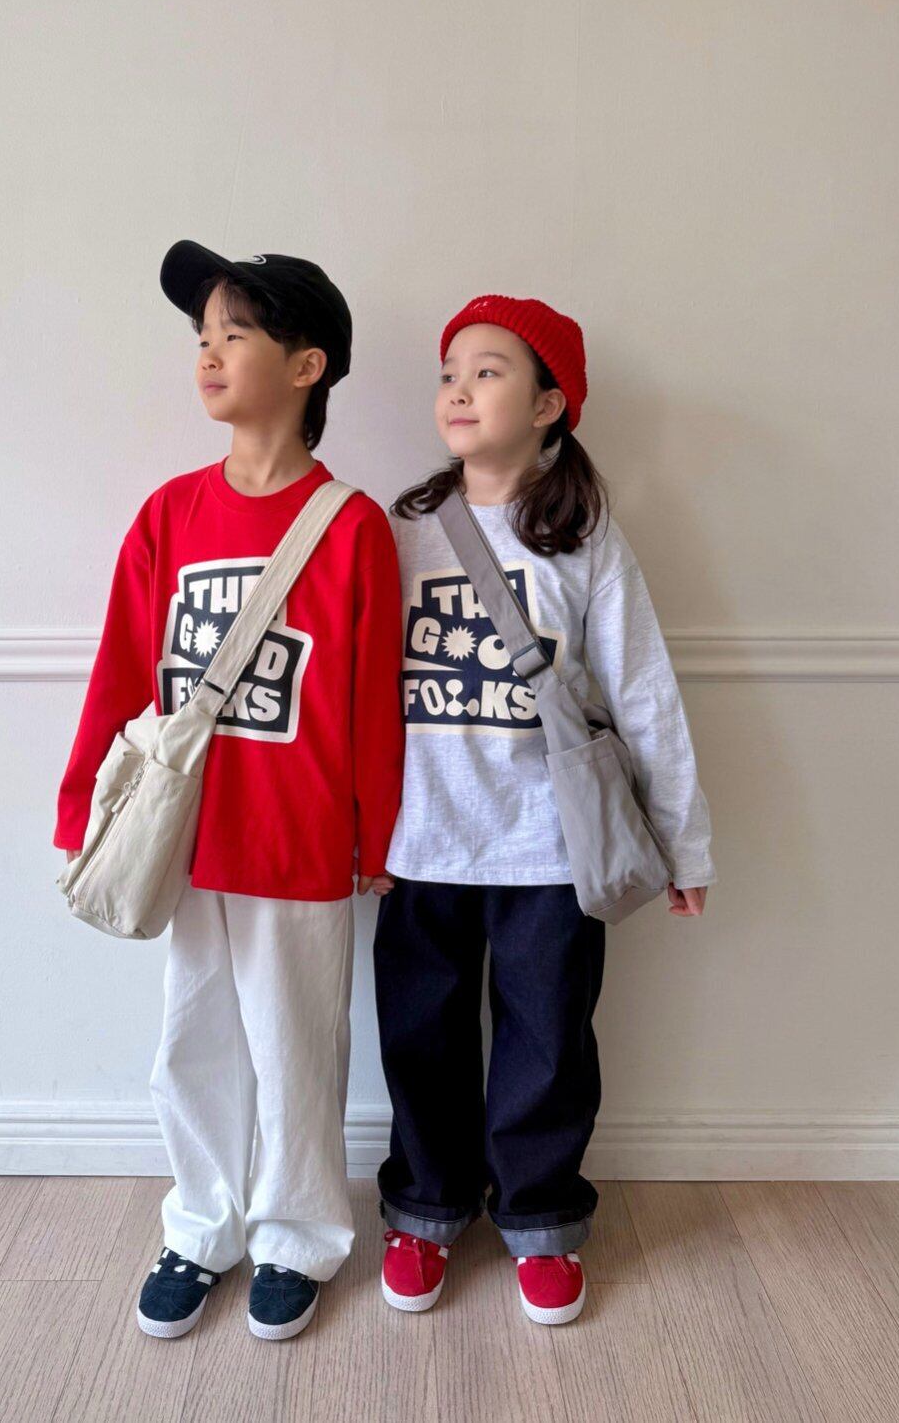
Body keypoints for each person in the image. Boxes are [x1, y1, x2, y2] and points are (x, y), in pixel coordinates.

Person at [54, 241, 403, 1341]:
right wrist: (81, 803)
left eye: (234, 333)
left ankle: (295, 1234)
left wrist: (379, 833)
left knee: (297, 1048)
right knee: (193, 1040)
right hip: (185, 833)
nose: (206, 352)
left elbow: (372, 698)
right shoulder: (170, 513)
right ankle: (201, 1223)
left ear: (306, 365)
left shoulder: (351, 526)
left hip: (299, 836)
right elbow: (122, 668)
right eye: (200, 335)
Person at [372, 293, 715, 1326]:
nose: (458, 389)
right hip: (419, 842)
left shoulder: (584, 537)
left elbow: (642, 691)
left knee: (549, 1042)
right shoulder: (397, 530)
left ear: (549, 402)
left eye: (487, 371)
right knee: (419, 1037)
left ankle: (540, 1218)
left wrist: (683, 842)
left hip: (550, 848)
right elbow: (352, 688)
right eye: (448, 373)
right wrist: (354, 827)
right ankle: (424, 1208)